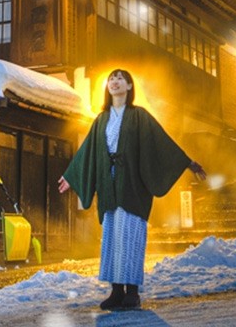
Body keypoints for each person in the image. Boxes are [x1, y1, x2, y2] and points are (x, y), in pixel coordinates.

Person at [57, 68, 206, 311]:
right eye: (111, 79)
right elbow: (88, 152)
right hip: (108, 185)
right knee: (112, 238)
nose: (114, 82)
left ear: (129, 86)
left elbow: (160, 142)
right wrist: (72, 176)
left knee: (131, 236)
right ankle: (116, 291)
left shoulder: (139, 116)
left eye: (120, 79)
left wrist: (186, 163)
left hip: (132, 186)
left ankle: (132, 292)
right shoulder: (101, 119)